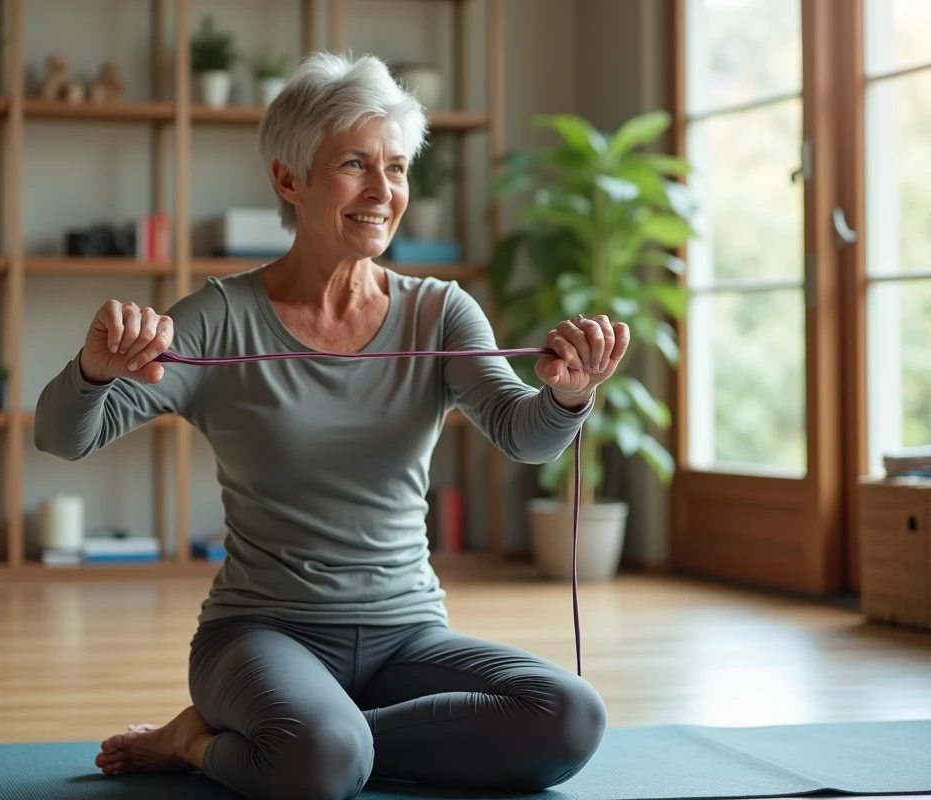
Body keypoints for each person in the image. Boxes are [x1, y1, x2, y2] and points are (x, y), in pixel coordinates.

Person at [35, 51, 628, 800]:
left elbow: (524, 433)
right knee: (320, 761)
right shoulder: (220, 318)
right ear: (289, 178)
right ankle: (198, 742)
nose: (384, 191)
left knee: (570, 716)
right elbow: (63, 435)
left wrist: (569, 397)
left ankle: (325, 737)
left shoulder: (439, 312)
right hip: (262, 635)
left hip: (407, 635)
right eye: (356, 164)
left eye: (399, 168)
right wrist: (92, 369)